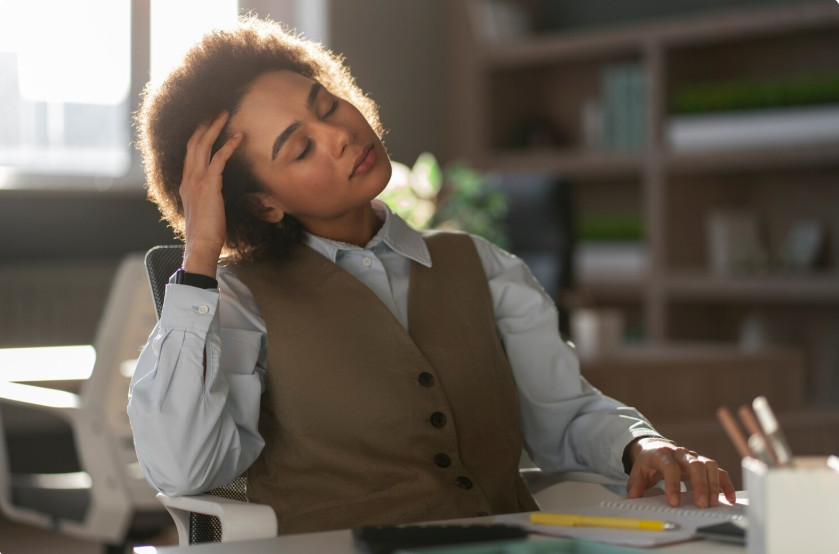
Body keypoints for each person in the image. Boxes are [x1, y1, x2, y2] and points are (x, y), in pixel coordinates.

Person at [127, 16, 735, 535]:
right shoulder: (237, 301)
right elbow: (186, 471)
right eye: (301, 148)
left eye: (327, 104)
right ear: (263, 204)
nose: (340, 136)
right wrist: (200, 254)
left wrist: (642, 444)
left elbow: (564, 415)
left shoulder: (483, 266)